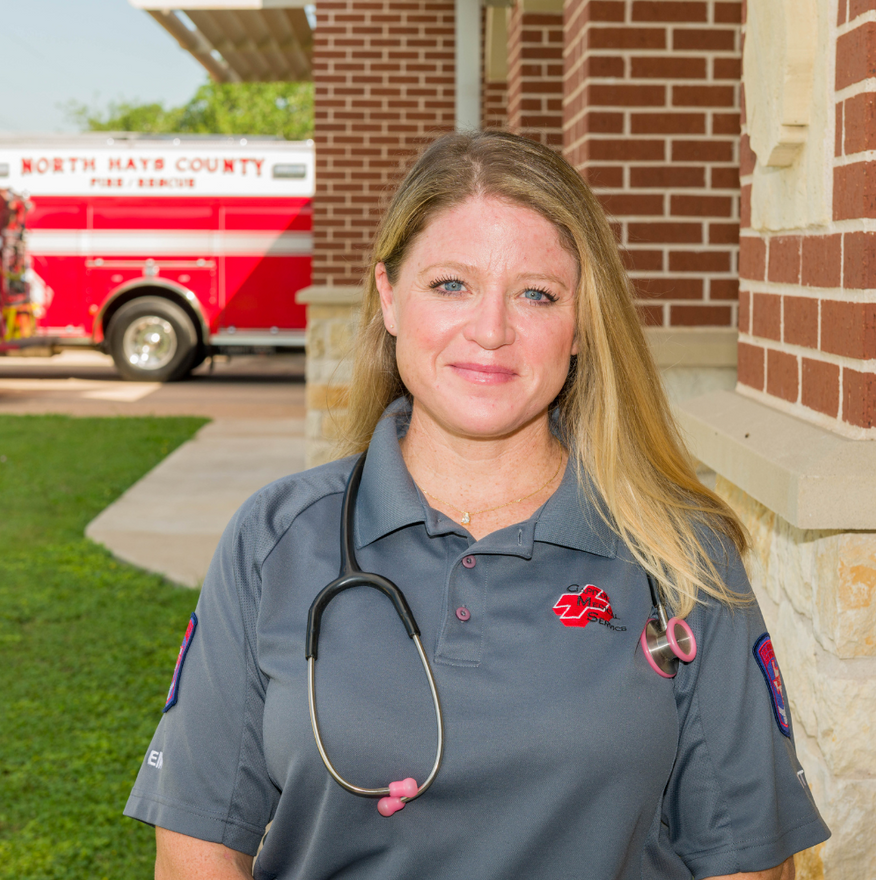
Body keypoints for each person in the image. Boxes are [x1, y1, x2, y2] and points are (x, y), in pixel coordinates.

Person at [124, 131, 829, 880]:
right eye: (452, 284)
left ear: (583, 323)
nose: (491, 332)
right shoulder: (274, 540)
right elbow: (197, 850)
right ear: (390, 297)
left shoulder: (679, 555)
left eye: (536, 294)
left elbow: (746, 862)